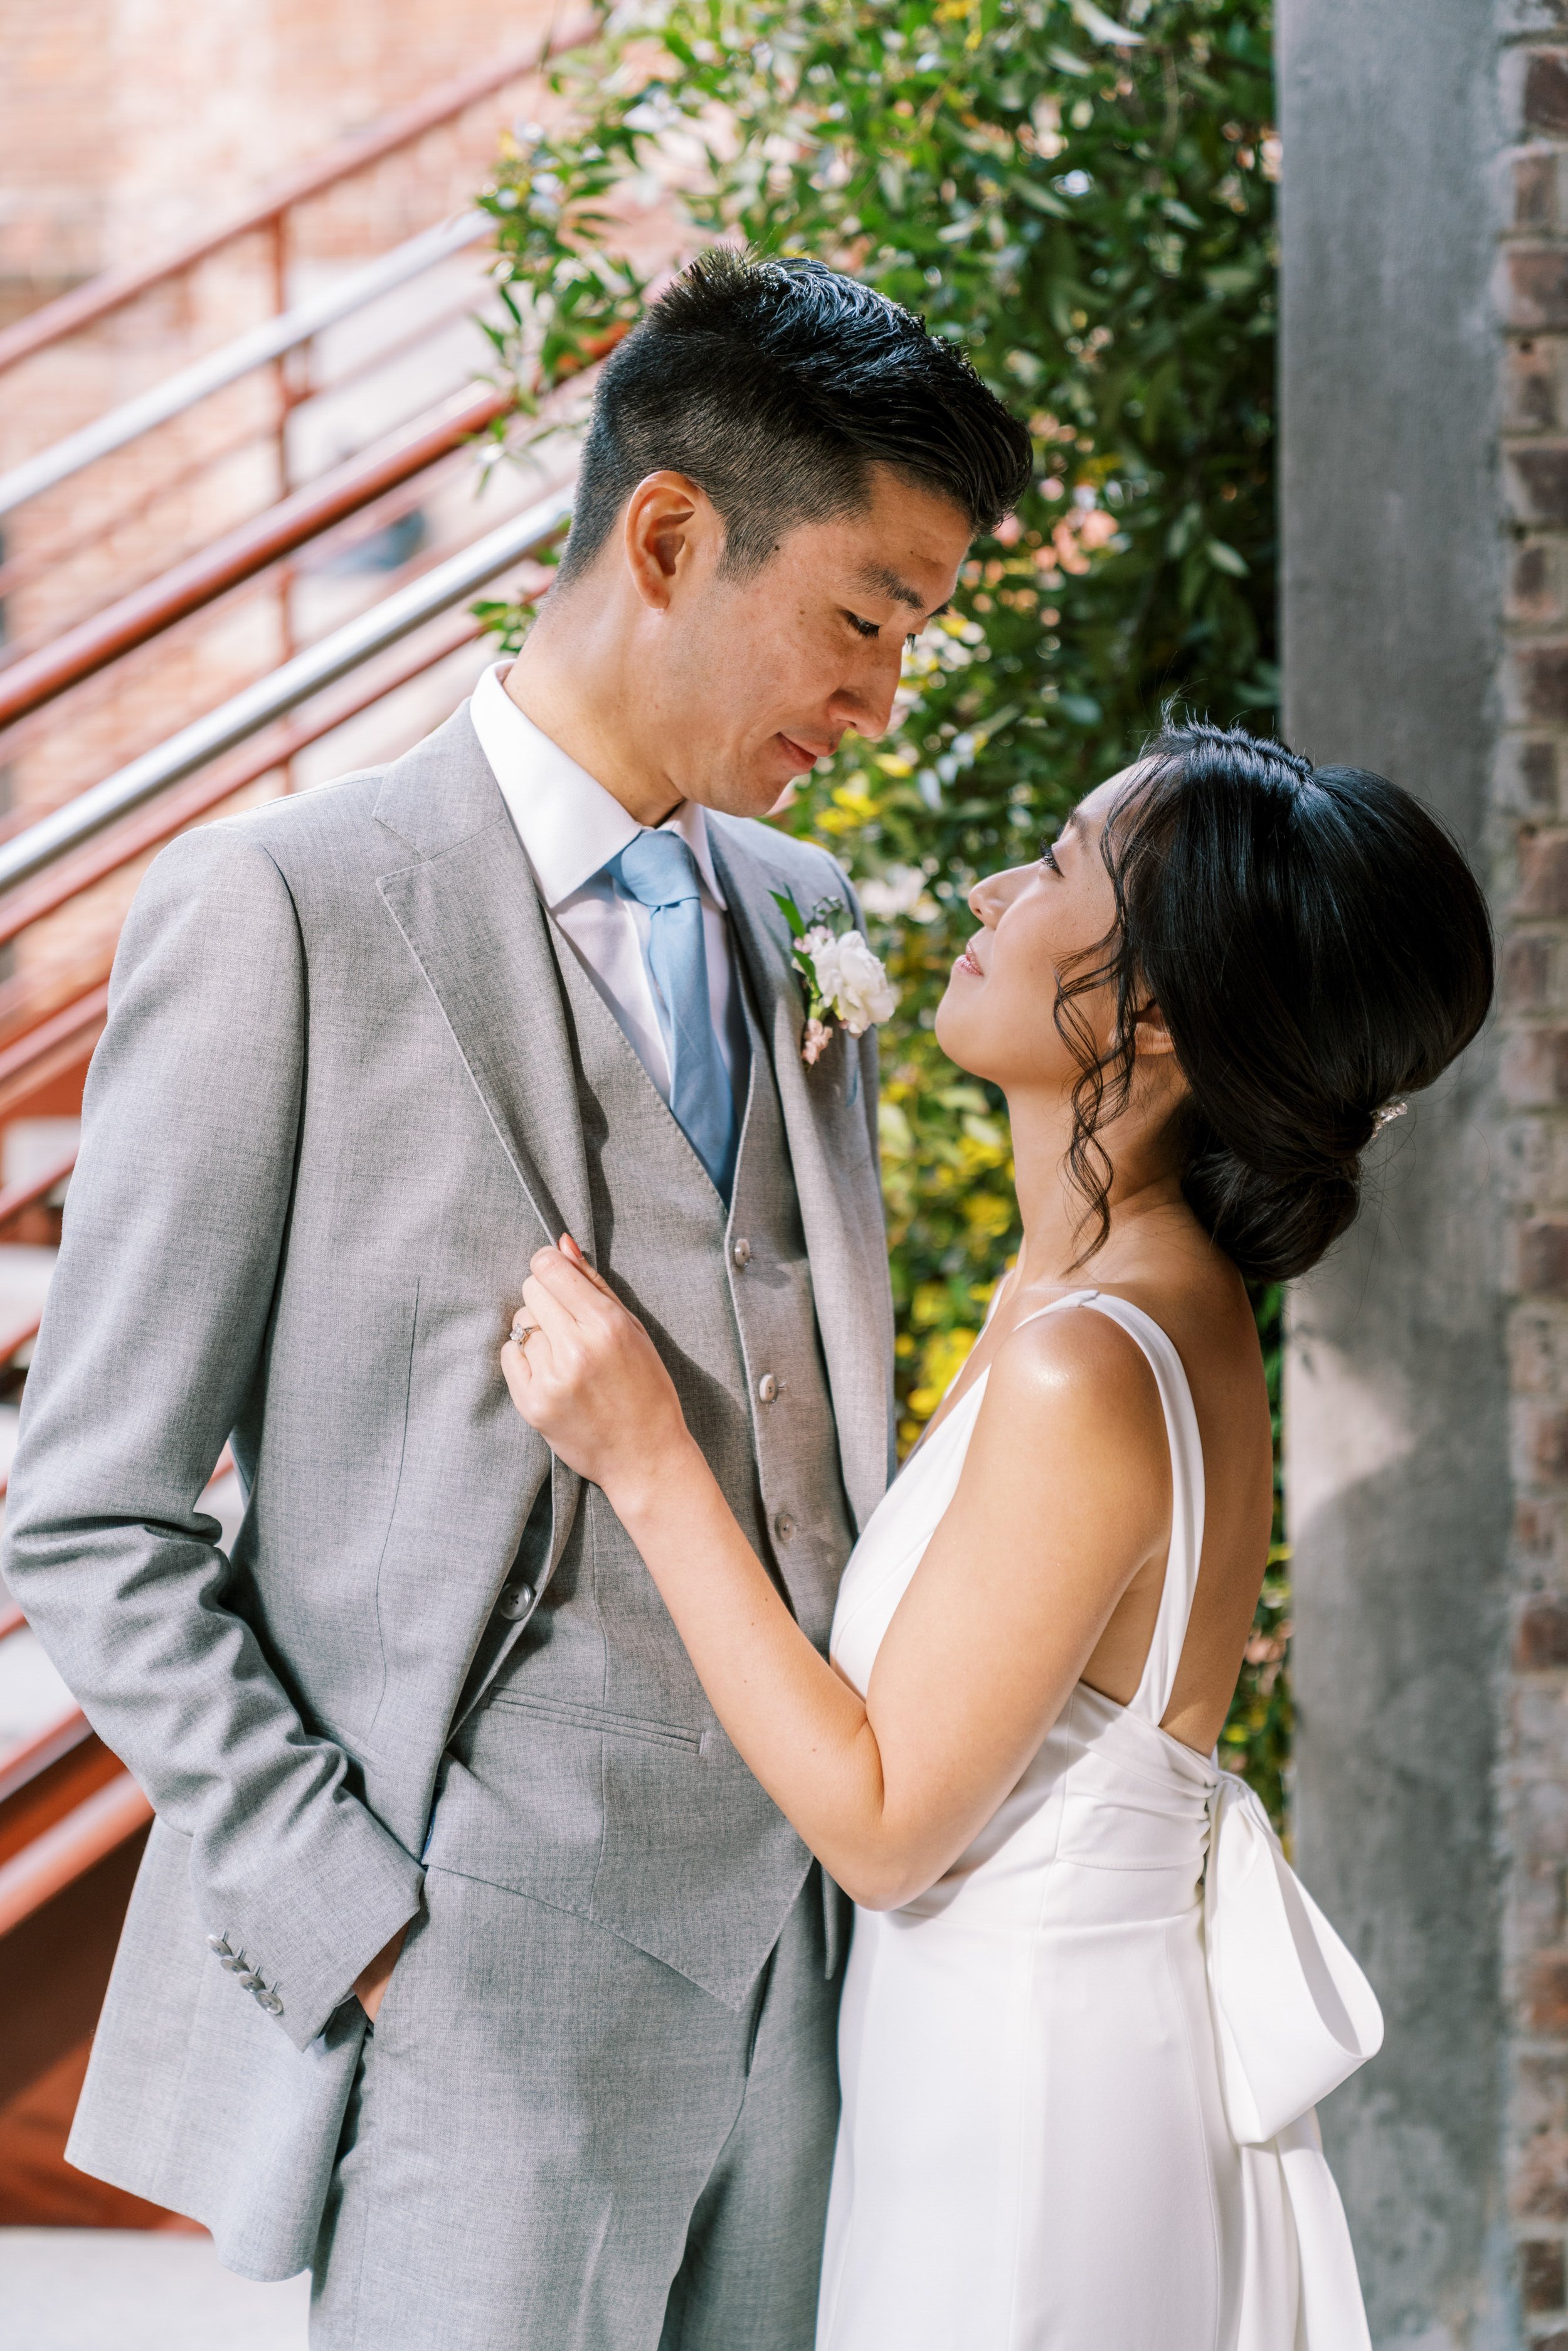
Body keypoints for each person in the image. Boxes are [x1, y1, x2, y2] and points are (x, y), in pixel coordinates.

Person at [0, 253, 1032, 2345]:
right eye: (861, 616)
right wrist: (358, 1922)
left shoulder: (803, 913)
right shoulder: (280, 909)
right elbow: (91, 1509)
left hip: (815, 1982)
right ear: (666, 535)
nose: (880, 700)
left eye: (916, 633)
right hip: (473, 1985)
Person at [500, 722, 1495, 2351]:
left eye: (1050, 867)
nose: (984, 885)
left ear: (1150, 1013)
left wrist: (646, 1458)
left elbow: (886, 1825)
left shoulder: (1085, 1355)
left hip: (1028, 2108)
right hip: (1006, 2059)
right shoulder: (1108, 1294)